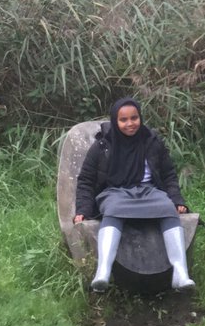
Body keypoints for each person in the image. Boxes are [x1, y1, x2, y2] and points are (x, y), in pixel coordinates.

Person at [73, 98, 195, 292]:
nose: (130, 123)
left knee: (166, 207)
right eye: (123, 120)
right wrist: (83, 210)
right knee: (114, 208)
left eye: (134, 118)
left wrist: (177, 201)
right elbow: (86, 181)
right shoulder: (102, 145)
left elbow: (168, 175)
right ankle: (102, 272)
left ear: (140, 117)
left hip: (148, 191)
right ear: (115, 121)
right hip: (114, 192)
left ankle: (180, 273)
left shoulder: (152, 141)